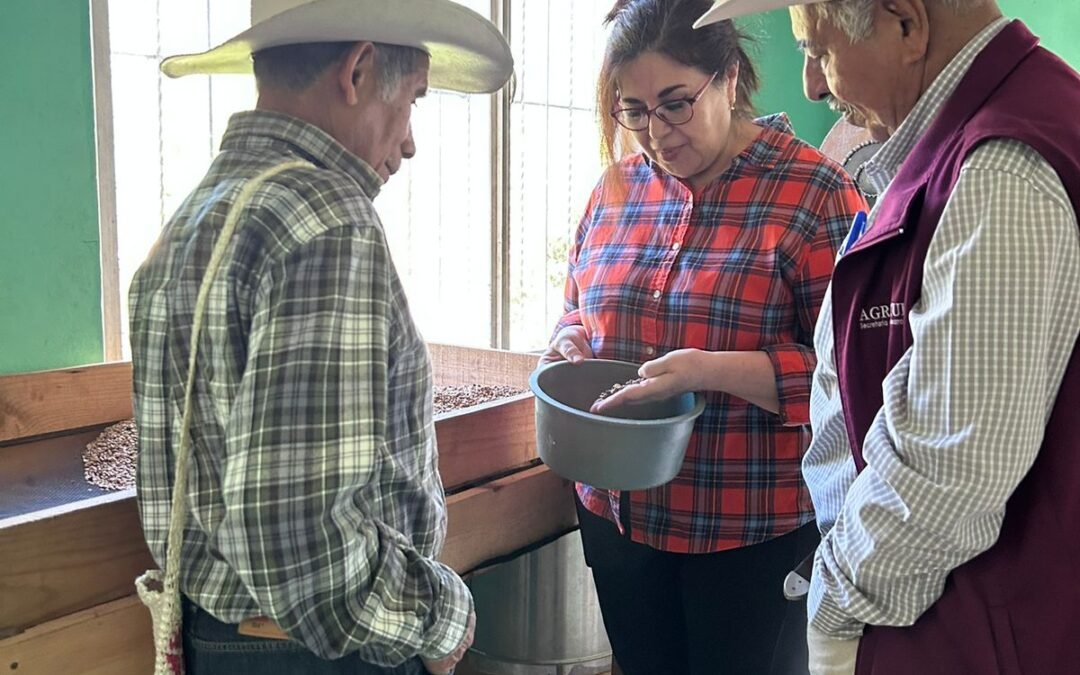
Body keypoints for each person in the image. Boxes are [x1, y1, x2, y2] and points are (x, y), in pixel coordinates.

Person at [695, 1, 1080, 673]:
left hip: (964, 632)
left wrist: (836, 605)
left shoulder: (1000, 173)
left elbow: (947, 474)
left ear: (906, 23)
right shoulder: (949, 147)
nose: (811, 83)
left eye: (817, 49)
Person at [128, 1, 512, 673]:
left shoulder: (196, 213)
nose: (411, 141)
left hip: (219, 633)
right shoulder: (329, 221)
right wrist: (440, 613)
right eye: (415, 98)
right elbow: (299, 544)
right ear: (359, 69)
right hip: (315, 650)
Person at [539, 1, 866, 672]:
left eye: (675, 103)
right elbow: (576, 307)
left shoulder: (814, 193)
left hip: (750, 531)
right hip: (617, 519)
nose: (656, 132)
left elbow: (853, 380)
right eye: (633, 111)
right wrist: (568, 341)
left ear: (728, 77)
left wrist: (707, 370)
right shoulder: (616, 191)